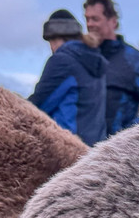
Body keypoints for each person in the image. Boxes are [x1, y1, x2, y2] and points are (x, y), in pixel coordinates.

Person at [83, 0, 139, 136]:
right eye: (87, 19)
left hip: (114, 147)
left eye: (95, 19)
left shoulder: (135, 62)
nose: (89, 24)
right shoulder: (81, 58)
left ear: (113, 21)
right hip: (76, 146)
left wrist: (130, 134)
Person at [28, 9, 108, 146]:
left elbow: (37, 107)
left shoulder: (62, 60)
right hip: (95, 149)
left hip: (66, 148)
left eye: (50, 41)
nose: (51, 48)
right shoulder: (97, 62)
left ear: (55, 38)